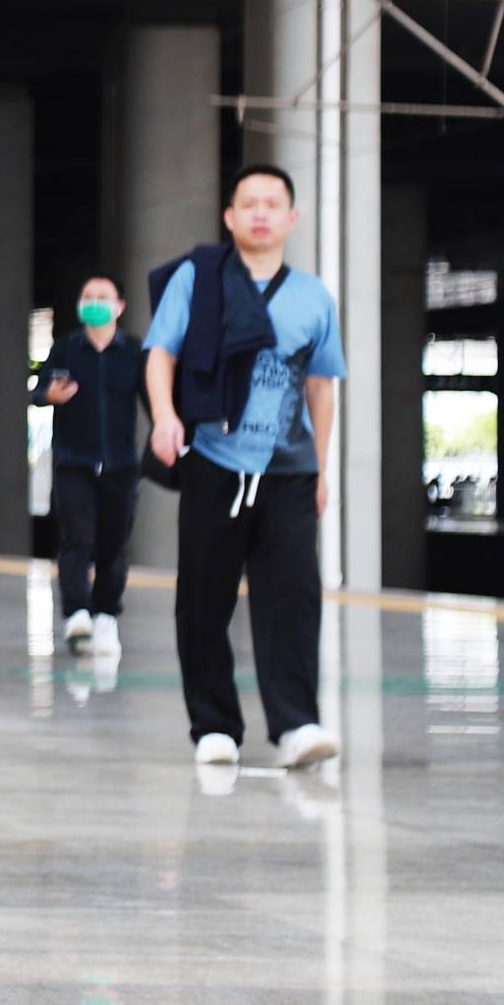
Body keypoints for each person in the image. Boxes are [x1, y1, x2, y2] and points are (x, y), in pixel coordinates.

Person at [145, 164, 343, 773]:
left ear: (292, 218)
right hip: (214, 461)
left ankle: (296, 724)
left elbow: (320, 385)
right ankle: (214, 726)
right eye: (248, 203)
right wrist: (162, 417)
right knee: (204, 598)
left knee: (292, 597)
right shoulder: (196, 281)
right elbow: (161, 354)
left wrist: (323, 467)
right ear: (230, 218)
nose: (260, 213)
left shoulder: (314, 296)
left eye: (272, 203)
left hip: (288, 471)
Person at [34, 276, 146, 657]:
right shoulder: (66, 348)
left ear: (119, 307)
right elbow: (37, 391)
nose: (94, 302)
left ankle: (105, 617)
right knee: (76, 538)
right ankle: (77, 614)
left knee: (114, 545)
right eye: (87, 296)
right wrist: (47, 395)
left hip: (121, 464)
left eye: (103, 297)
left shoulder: (133, 351)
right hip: (73, 461)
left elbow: (155, 397)